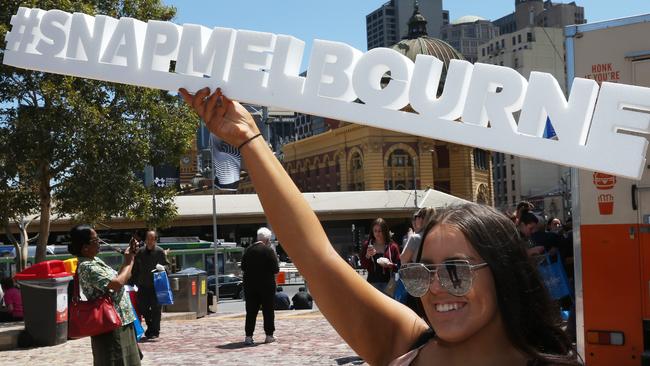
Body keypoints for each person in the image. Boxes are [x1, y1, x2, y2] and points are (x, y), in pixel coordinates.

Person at [179, 87, 579, 365]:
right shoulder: (405, 344)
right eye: (423, 274)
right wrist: (249, 139)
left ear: (504, 272)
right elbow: (316, 259)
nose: (436, 288)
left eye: (456, 271)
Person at [68, 225, 141, 364]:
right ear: (85, 247)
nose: (100, 243)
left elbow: (123, 277)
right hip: (109, 326)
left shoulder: (95, 261)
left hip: (122, 320)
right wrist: (129, 260)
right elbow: (116, 283)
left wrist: (130, 258)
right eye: (96, 240)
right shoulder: (87, 267)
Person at [240, 227, 279, 345]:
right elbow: (276, 269)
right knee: (268, 311)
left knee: (251, 311)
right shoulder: (268, 251)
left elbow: (243, 267)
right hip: (267, 286)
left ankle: (248, 336)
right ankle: (269, 335)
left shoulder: (248, 250)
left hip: (250, 286)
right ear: (267, 240)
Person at [131, 229, 169, 340]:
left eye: (152, 239)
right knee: (143, 308)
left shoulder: (160, 251)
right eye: (148, 239)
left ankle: (155, 331)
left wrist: (163, 268)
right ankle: (150, 326)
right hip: (142, 285)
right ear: (145, 240)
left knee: (156, 309)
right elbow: (135, 268)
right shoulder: (140, 252)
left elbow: (167, 267)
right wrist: (132, 281)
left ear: (155, 240)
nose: (150, 241)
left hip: (156, 286)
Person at [360, 218, 401, 293]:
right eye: (375, 231)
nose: (377, 233)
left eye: (380, 231)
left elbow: (399, 265)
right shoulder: (368, 245)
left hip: (389, 283)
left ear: (385, 231)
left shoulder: (392, 246)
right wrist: (367, 255)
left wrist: (390, 265)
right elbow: (363, 265)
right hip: (372, 283)